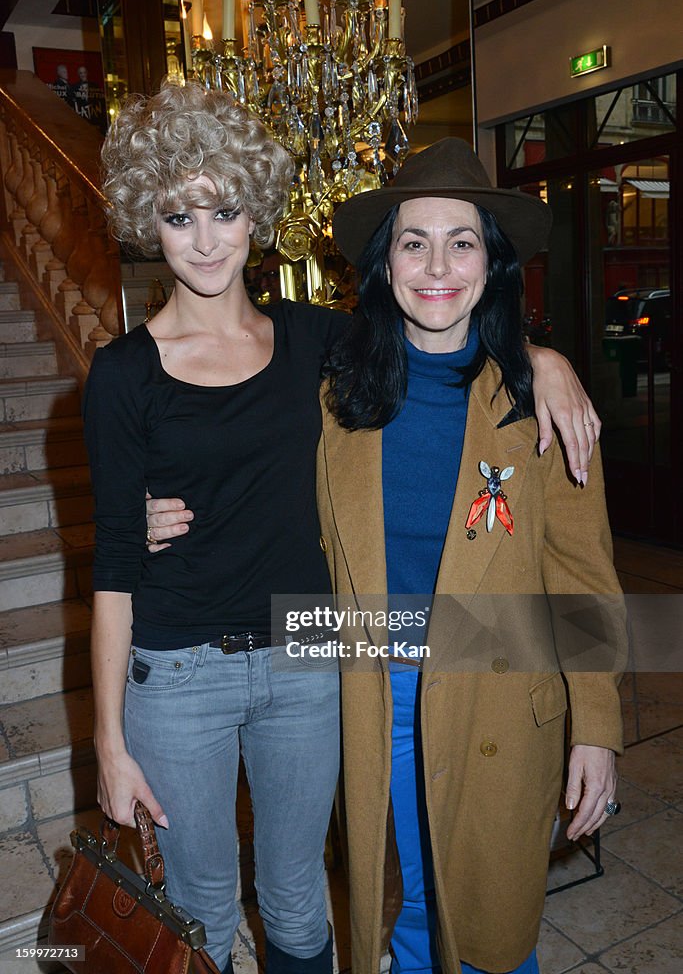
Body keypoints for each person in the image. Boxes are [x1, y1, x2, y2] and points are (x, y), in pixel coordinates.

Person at [311, 137, 626, 974]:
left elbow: (583, 579)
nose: (437, 265)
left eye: (463, 241)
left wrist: (595, 729)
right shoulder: (335, 398)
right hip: (379, 699)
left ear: (492, 262)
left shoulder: (539, 403)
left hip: (501, 701)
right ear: (384, 265)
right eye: (414, 241)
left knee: (491, 927)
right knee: (404, 907)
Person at [84, 82, 347, 974]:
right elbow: (114, 566)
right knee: (197, 907)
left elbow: (439, 339)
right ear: (145, 223)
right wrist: (107, 742)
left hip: (306, 656)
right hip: (177, 675)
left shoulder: (315, 338)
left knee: (298, 900)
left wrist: (540, 358)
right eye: (176, 215)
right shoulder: (123, 373)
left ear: (255, 214)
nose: (203, 241)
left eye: (223, 210)